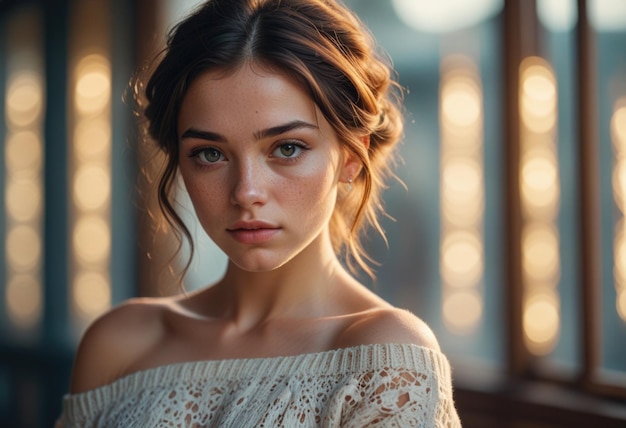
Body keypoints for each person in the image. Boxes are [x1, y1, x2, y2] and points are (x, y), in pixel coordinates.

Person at [57, 0, 461, 426]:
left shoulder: (385, 359)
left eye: (287, 148)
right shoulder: (118, 343)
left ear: (351, 157)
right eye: (210, 154)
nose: (246, 192)